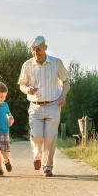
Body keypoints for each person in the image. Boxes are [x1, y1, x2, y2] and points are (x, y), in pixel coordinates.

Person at [18, 35, 69, 177]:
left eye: (38, 49)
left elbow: (66, 81)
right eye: (33, 50)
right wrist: (27, 89)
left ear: (45, 48)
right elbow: (22, 84)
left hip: (53, 105)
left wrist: (63, 95)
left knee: (50, 138)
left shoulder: (56, 63)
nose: (36, 53)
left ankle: (48, 167)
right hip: (35, 106)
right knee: (37, 136)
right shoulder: (27, 65)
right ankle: (37, 154)